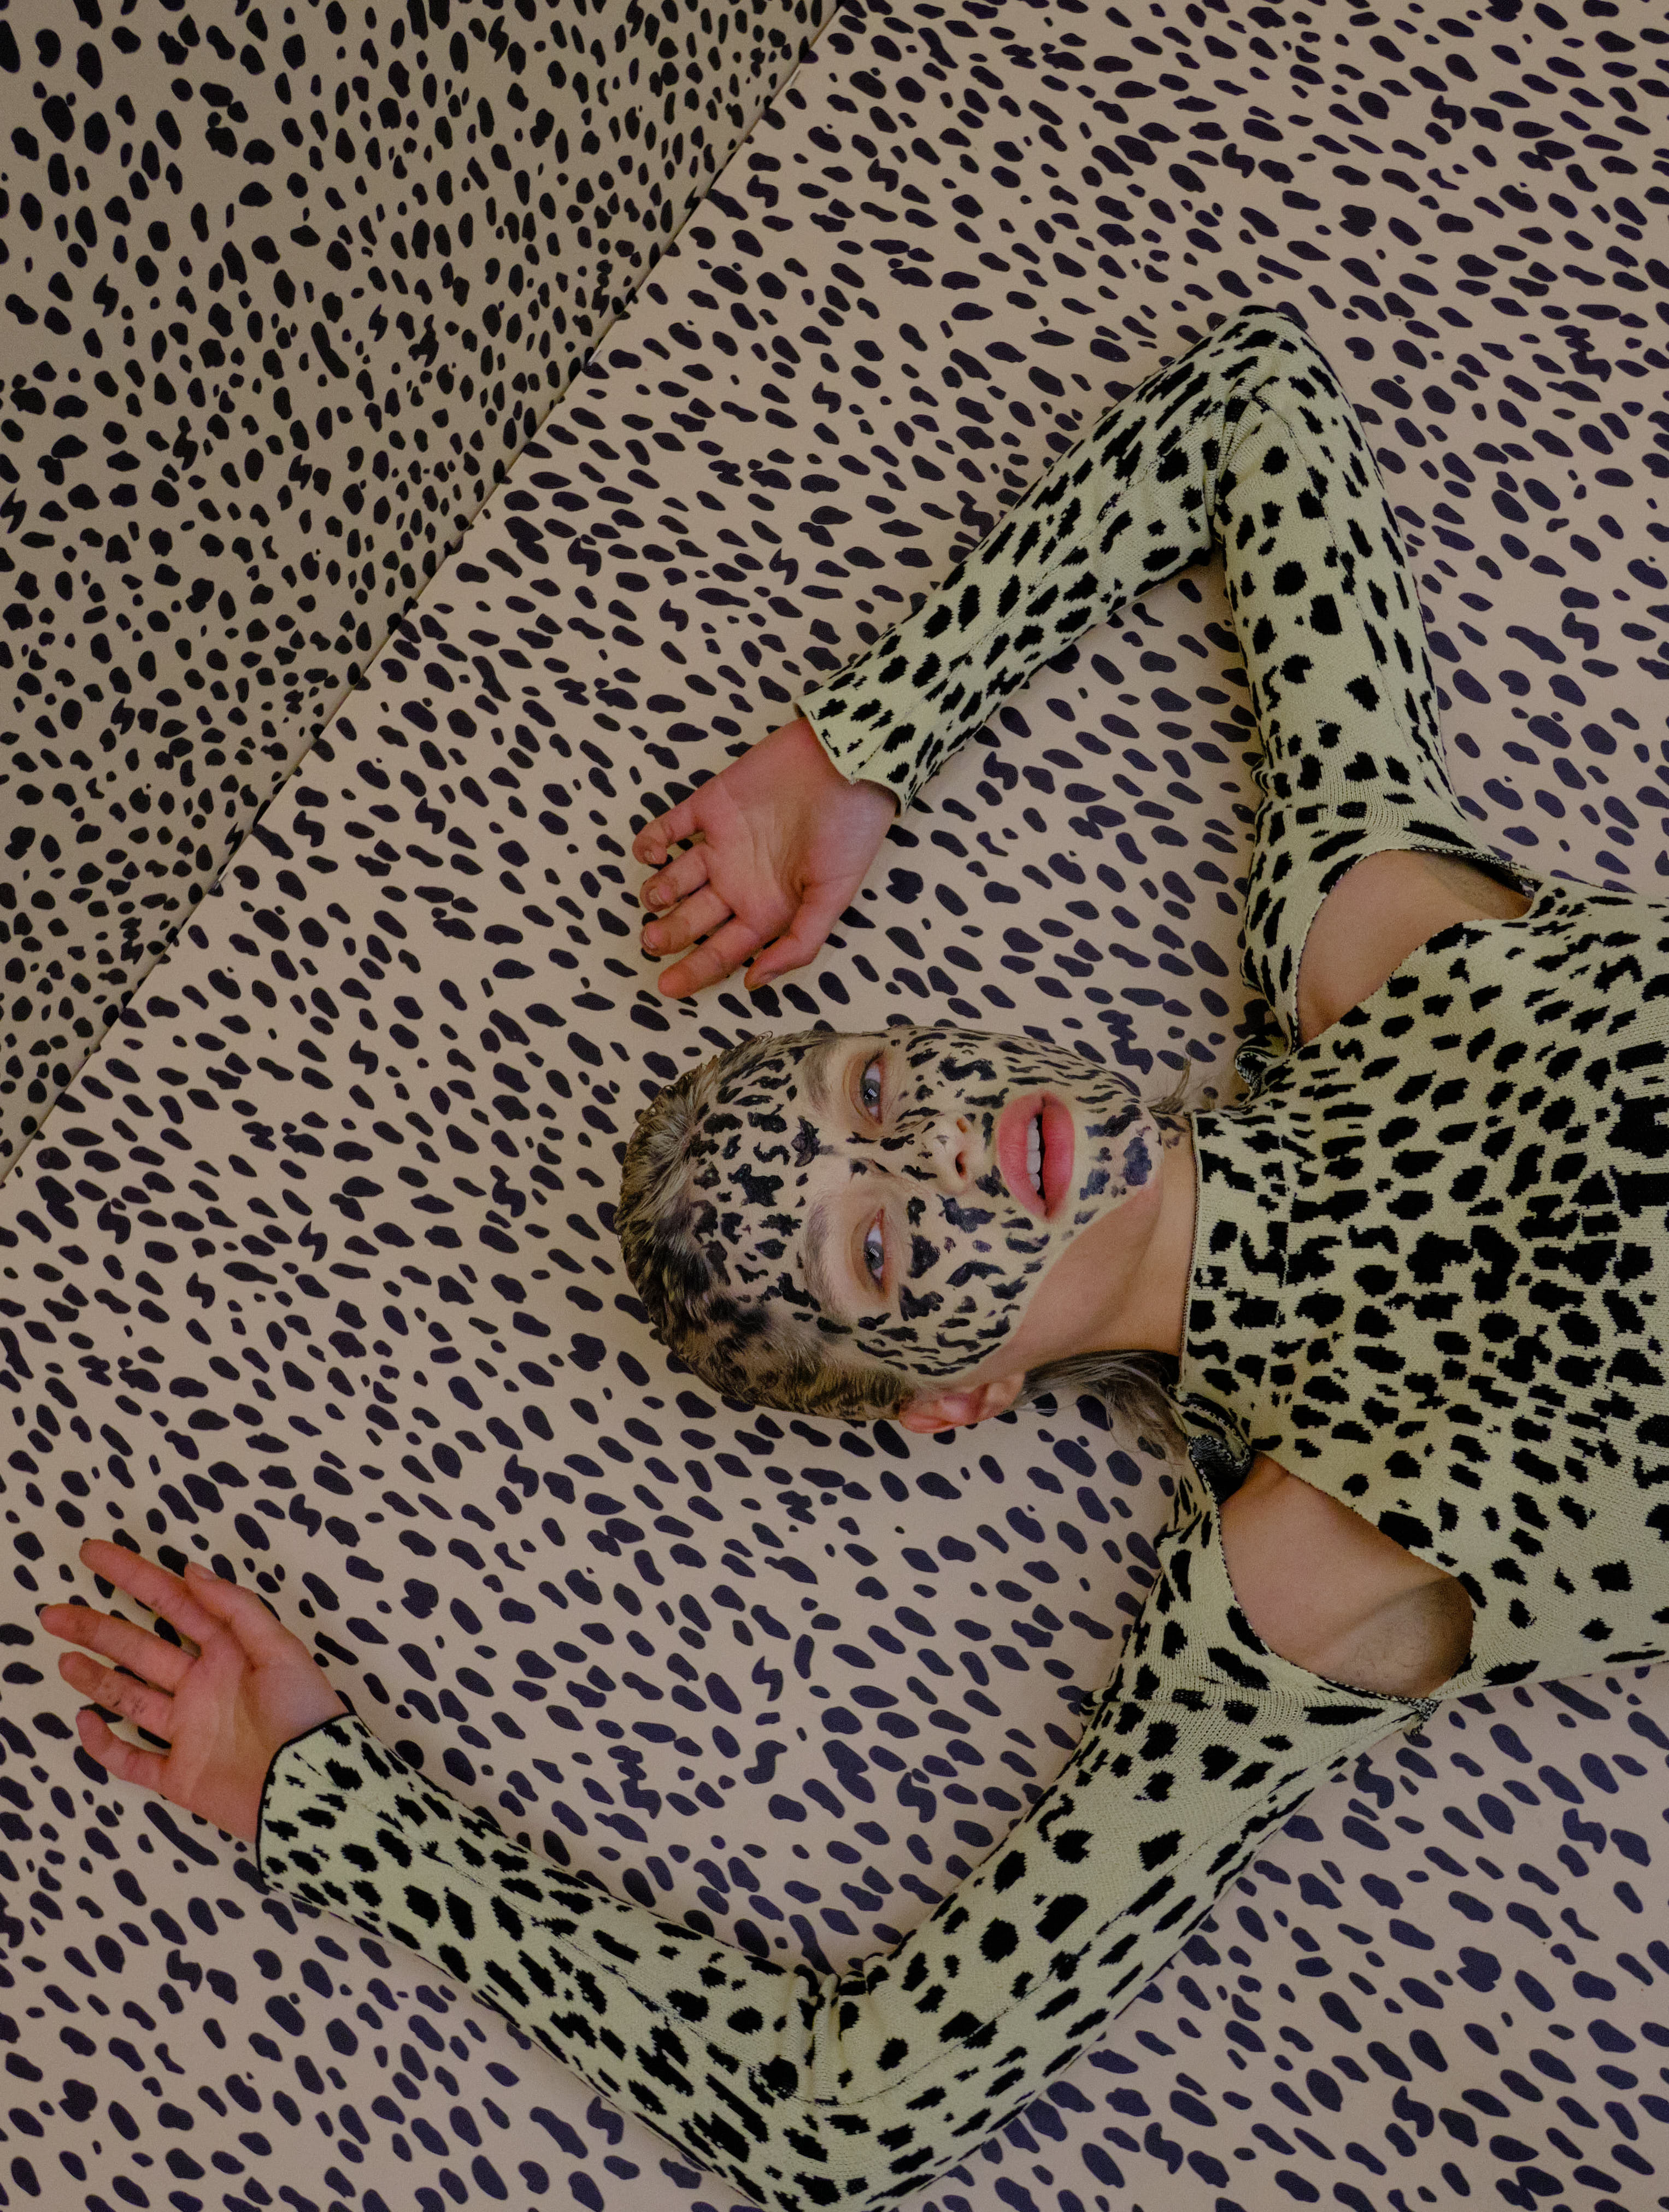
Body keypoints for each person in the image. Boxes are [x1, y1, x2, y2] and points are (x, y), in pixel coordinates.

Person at [43, 310, 1669, 2212]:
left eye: (880, 1086)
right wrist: (327, 1809)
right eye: (885, 1242)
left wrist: (859, 744)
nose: (946, 1147)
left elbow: (1259, 405)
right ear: (954, 1398)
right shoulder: (1302, 1573)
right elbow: (841, 2122)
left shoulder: (1367, 935)